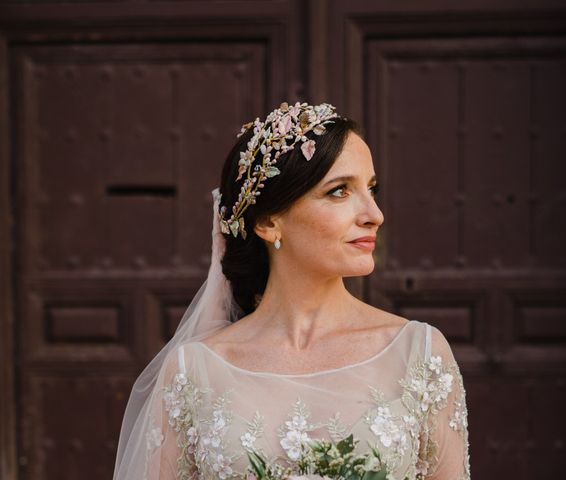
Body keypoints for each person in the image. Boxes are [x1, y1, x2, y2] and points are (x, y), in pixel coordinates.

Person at [112, 102, 470, 480]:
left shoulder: (419, 353)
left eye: (372, 189)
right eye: (339, 191)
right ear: (267, 221)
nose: (373, 213)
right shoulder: (194, 371)